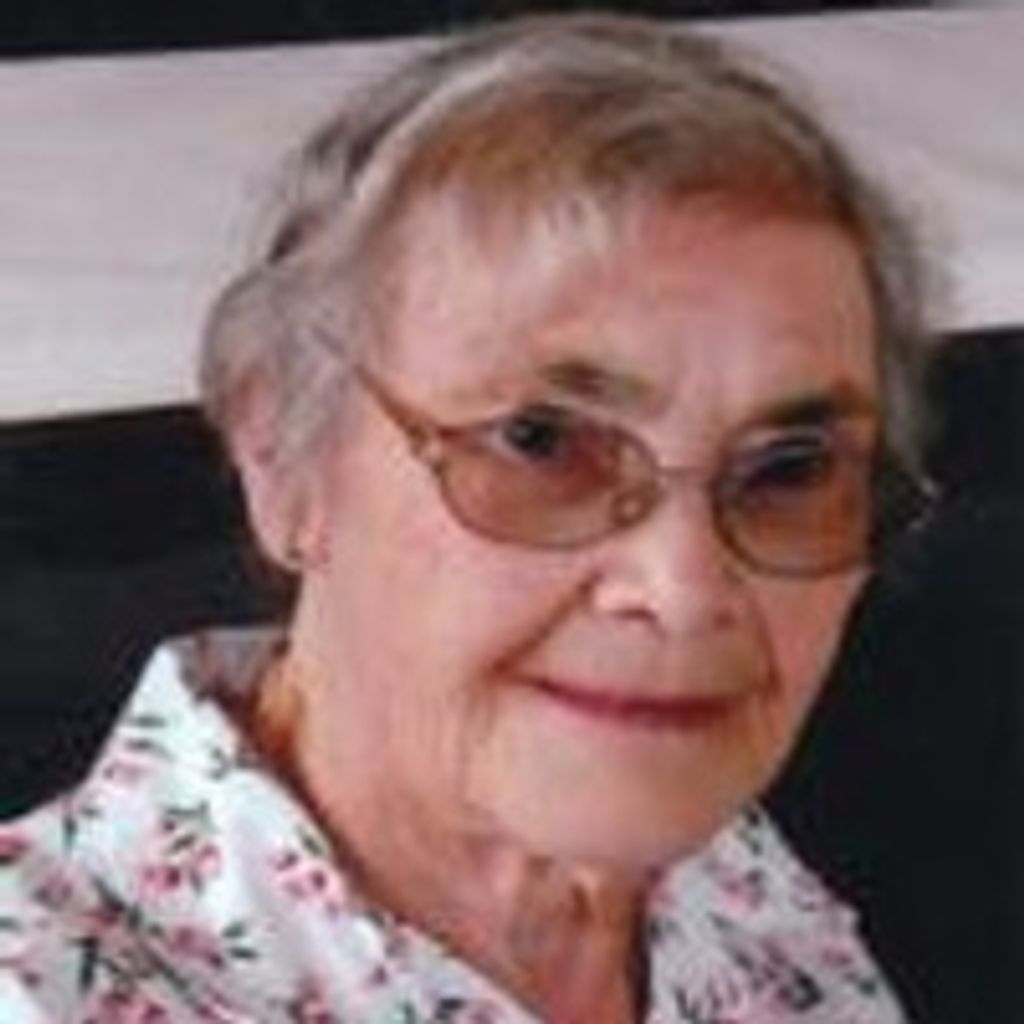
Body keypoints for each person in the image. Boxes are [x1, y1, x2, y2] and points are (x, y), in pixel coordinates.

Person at [0, 13, 934, 1022]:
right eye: (541, 440)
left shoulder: (712, 860)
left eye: (791, 469)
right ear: (285, 463)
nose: (685, 589)